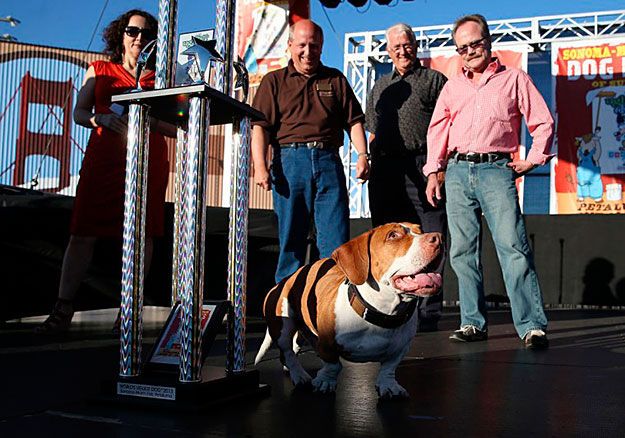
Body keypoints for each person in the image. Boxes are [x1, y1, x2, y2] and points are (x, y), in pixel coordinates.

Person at [36, 9, 175, 333]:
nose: (138, 38)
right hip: (103, 160)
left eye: (146, 32)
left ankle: (129, 313)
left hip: (147, 162)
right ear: (120, 35)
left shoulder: (161, 78)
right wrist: (101, 118)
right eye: (132, 31)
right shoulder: (99, 70)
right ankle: (63, 308)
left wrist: (147, 120)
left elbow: (176, 126)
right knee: (82, 232)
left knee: (143, 236)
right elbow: (79, 112)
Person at [424, 14, 554, 350]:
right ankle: (472, 323)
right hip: (456, 172)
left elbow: (542, 122)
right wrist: (432, 171)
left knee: (513, 248)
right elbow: (438, 129)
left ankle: (531, 327)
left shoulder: (514, 79)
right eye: (462, 47)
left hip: (496, 169)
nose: (469, 51)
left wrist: (534, 159)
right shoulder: (452, 86)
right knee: (462, 253)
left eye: (475, 43)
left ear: (489, 42)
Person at [251, 19, 369, 284]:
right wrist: (261, 165)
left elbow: (354, 121)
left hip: (328, 161)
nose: (308, 51)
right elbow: (260, 128)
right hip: (289, 161)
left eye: (313, 45)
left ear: (321, 47)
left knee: (335, 238)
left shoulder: (335, 79)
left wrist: (363, 154)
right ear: (290, 46)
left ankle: (330, 300)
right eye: (302, 45)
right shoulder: (274, 81)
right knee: (291, 237)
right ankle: (287, 305)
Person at [365, 23, 448, 332]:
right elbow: (372, 129)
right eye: (396, 46)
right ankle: (389, 308)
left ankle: (428, 314)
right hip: (386, 169)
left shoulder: (434, 80)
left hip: (424, 165)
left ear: (415, 45)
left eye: (407, 44)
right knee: (387, 240)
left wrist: (438, 168)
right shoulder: (380, 86)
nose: (402, 50)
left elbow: (448, 124)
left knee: (432, 235)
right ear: (388, 51)